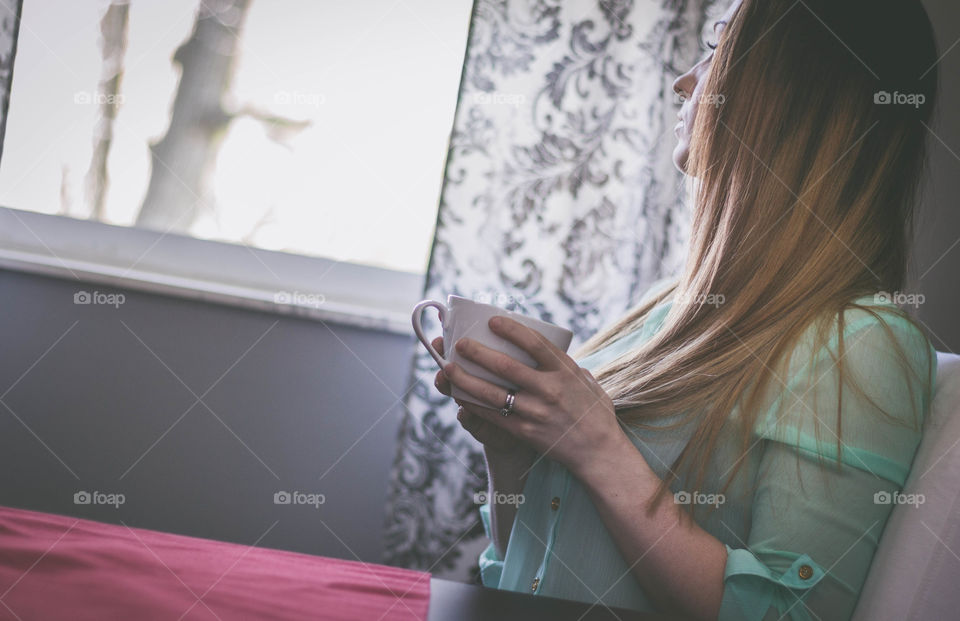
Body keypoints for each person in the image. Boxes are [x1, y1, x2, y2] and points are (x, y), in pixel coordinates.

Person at [432, 0, 940, 618]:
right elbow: (528, 572)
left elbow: (791, 614)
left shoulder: (860, 343)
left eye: (718, 48)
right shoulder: (665, 311)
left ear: (796, 94)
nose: (684, 80)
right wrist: (509, 448)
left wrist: (599, 450)